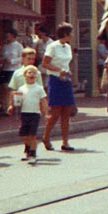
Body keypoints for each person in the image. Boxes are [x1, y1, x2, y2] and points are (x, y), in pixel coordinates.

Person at [41, 22, 76, 152]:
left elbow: (66, 63)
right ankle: (46, 137)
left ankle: (65, 141)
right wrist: (58, 70)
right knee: (55, 112)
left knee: (67, 112)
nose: (72, 35)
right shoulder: (52, 46)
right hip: (55, 80)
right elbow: (45, 63)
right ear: (65, 34)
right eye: (71, 32)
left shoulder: (67, 47)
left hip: (65, 80)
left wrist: (67, 71)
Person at [7, 64, 47, 164]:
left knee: (32, 135)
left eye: (34, 73)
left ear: (37, 76)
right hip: (24, 114)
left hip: (35, 114)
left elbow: (44, 101)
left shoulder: (39, 88)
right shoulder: (21, 89)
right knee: (24, 135)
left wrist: (46, 113)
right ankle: (29, 148)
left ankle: (33, 154)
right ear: (25, 75)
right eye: (29, 72)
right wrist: (11, 106)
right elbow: (17, 101)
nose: (31, 74)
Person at [0, 28, 23, 111]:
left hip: (14, 69)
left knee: (11, 88)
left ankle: (13, 106)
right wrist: (2, 60)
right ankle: (5, 105)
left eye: (9, 35)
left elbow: (21, 58)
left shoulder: (18, 46)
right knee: (3, 87)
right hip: (5, 69)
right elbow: (1, 56)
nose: (8, 37)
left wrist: (11, 61)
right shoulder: (5, 46)